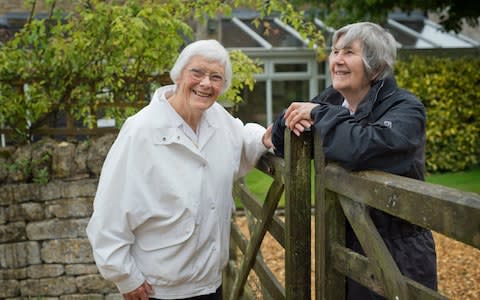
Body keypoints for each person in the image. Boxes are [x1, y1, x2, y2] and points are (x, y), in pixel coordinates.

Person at [86, 39, 273, 300]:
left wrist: (264, 138)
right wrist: (124, 275)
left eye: (216, 77)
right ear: (178, 75)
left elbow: (241, 142)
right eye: (197, 72)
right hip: (159, 289)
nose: (206, 83)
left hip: (210, 283)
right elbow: (109, 209)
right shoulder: (141, 130)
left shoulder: (218, 119)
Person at [270, 22, 437, 299]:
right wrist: (283, 124)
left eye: (348, 52)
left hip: (398, 252)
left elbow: (364, 147)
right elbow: (290, 126)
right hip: (341, 244)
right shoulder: (333, 100)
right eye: (335, 52)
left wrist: (319, 116)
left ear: (375, 64)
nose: (336, 60)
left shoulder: (406, 107)